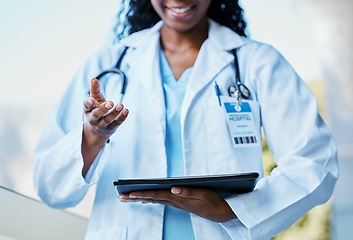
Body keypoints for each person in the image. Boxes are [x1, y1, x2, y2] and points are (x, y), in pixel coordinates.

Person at [33, 0, 338, 239]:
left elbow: (316, 162)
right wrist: (93, 136)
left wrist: (234, 210)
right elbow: (51, 186)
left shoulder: (258, 62)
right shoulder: (107, 63)